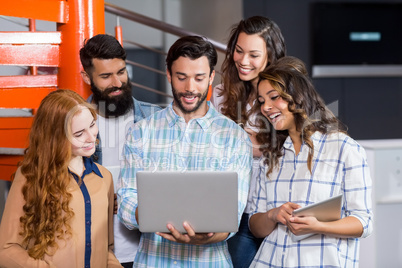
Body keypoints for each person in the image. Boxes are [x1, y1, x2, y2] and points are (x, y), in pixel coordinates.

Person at [117, 35, 253, 267]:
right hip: (154, 261)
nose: (190, 88)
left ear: (211, 77)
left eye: (199, 78)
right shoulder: (141, 132)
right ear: (169, 75)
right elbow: (126, 200)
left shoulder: (234, 137)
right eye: (181, 77)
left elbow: (232, 215)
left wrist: (206, 235)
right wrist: (150, 215)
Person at [249, 56, 373, 267]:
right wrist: (272, 215)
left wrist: (318, 226)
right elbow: (254, 226)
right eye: (262, 101)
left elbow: (364, 222)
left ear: (297, 96)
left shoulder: (345, 149)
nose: (266, 107)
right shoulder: (271, 157)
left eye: (274, 97)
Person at [0, 89, 122, 267]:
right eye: (79, 134)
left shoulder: (105, 177)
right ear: (57, 137)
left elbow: (106, 249)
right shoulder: (30, 177)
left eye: (92, 124)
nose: (91, 137)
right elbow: (7, 250)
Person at [79, 34, 161, 268]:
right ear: (86, 76)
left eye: (121, 72)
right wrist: (96, 196)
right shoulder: (74, 124)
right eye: (105, 76)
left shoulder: (156, 119)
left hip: (151, 253)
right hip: (96, 254)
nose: (117, 82)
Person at [210, 15, 286, 267]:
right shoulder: (221, 94)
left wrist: (232, 137)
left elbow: (281, 143)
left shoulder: (284, 96)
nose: (243, 61)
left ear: (271, 56)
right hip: (234, 209)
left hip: (272, 210)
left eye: (253, 55)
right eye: (239, 51)